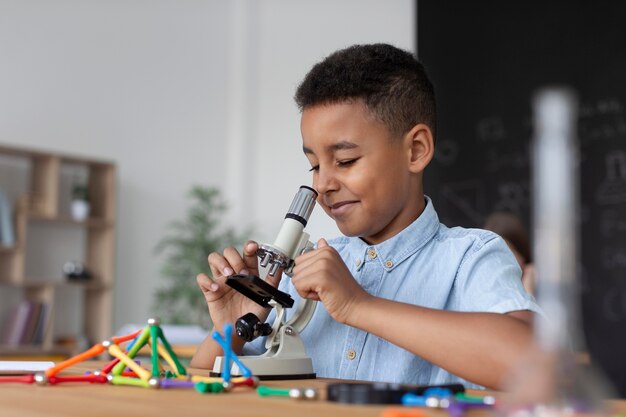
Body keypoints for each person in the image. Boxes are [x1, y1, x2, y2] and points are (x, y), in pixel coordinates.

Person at [190, 43, 541, 390]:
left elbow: (534, 365)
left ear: (416, 150)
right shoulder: (301, 271)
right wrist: (230, 331)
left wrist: (359, 306)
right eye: (314, 165)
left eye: (345, 161)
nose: (323, 184)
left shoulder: (469, 258)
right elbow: (201, 395)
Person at [483, 211, 536, 295]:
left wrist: (528, 290)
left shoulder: (541, 285)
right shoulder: (482, 287)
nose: (497, 260)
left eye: (504, 251)